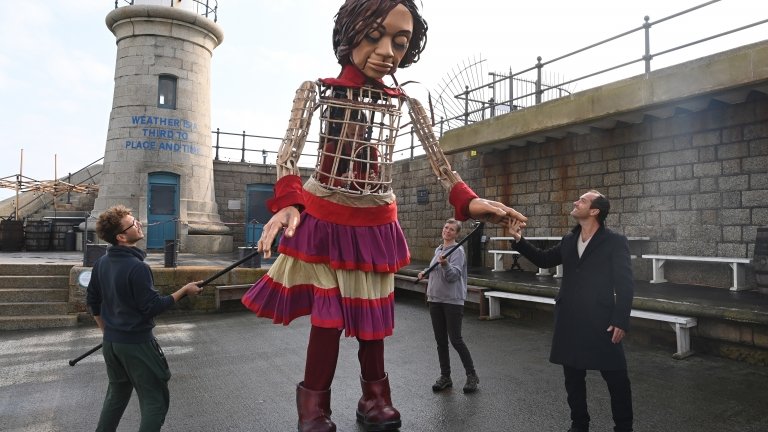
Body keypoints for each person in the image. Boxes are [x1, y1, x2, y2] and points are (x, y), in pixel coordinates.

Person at [240, 1, 527, 431]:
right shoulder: (315, 91)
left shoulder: (405, 102)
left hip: (375, 224)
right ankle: (313, 407)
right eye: (374, 35)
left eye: (400, 42)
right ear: (350, 32)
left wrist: (469, 203)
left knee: (373, 320)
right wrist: (287, 202)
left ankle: (375, 399)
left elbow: (441, 166)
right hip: (324, 219)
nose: (387, 51)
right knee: (328, 320)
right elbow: (289, 154)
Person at [508, 190, 634, 432]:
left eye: (582, 201)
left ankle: (624, 427)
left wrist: (621, 319)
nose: (576, 202)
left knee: (617, 378)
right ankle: (579, 424)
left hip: (601, 320)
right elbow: (544, 259)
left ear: (595, 211)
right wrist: (518, 240)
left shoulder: (615, 241)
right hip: (570, 319)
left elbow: (625, 284)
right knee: (573, 378)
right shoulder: (568, 240)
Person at [86, 205, 203, 432]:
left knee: (116, 395)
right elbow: (152, 307)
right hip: (137, 345)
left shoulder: (101, 263)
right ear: (121, 237)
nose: (139, 224)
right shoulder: (138, 267)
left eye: (136, 220)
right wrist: (184, 291)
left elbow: (93, 302)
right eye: (132, 224)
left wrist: (107, 332)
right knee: (154, 400)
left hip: (111, 344)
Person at [418, 218, 479, 394]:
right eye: (446, 227)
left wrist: (445, 265)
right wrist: (425, 273)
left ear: (457, 234)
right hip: (435, 299)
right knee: (441, 341)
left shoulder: (458, 251)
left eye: (452, 229)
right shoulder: (439, 250)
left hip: (452, 301)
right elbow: (435, 271)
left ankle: (472, 375)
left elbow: (453, 277)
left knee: (456, 339)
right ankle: (445, 376)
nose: (447, 231)